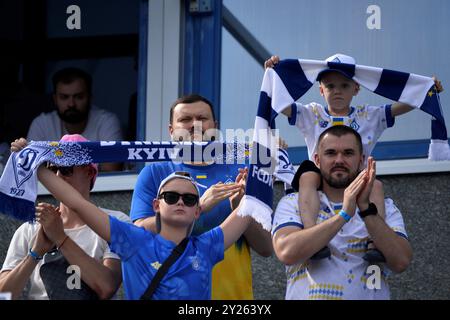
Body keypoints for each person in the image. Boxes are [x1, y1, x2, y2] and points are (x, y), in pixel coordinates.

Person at [265, 53, 443, 262]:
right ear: (321, 90)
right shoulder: (311, 113)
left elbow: (397, 108)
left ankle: (374, 242)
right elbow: (282, 106)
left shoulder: (368, 115)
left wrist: (424, 91)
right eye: (330, 86)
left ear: (357, 88)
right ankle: (311, 233)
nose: (337, 91)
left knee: (374, 184)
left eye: (344, 85)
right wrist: (271, 76)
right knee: (306, 177)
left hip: (356, 176)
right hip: (319, 174)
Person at [37, 167, 257, 300]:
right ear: (156, 205)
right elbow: (76, 202)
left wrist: (264, 168)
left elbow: (249, 208)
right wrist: (35, 165)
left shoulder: (206, 245)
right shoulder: (133, 240)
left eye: (189, 199)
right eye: (171, 197)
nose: (180, 201)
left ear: (198, 210)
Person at [131, 94, 273, 299]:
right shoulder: (154, 172)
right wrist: (198, 207)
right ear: (171, 130)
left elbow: (266, 247)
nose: (194, 125)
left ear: (215, 126)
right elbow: (137, 235)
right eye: (185, 120)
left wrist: (242, 209)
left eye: (202, 118)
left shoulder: (241, 169)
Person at [272, 125, 412, 300]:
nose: (339, 160)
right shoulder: (293, 202)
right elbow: (287, 252)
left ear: (361, 160)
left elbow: (401, 261)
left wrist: (367, 210)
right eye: (330, 153)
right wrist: (343, 215)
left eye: (348, 153)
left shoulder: (385, 207)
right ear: (317, 159)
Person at [0, 134, 130, 300]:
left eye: (66, 169)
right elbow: (4, 294)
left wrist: (60, 238)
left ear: (89, 171)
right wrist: (35, 253)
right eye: (52, 169)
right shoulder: (29, 228)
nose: (57, 177)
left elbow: (106, 287)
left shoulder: (115, 221)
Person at [26, 67, 123, 172]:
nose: (71, 104)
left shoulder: (106, 122)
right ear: (55, 99)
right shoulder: (41, 124)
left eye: (79, 97)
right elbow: (30, 169)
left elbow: (111, 171)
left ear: (90, 97)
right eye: (64, 97)